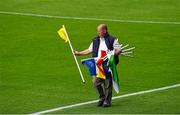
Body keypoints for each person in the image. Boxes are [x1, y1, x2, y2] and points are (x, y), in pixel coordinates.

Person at [74, 24, 121, 107]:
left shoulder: (112, 40)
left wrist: (113, 53)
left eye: (100, 30)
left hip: (107, 64)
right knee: (96, 82)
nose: (98, 32)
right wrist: (79, 53)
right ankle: (102, 97)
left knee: (107, 83)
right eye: (98, 31)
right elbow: (89, 50)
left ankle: (107, 101)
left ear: (105, 30)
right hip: (98, 64)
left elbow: (118, 50)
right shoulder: (95, 40)